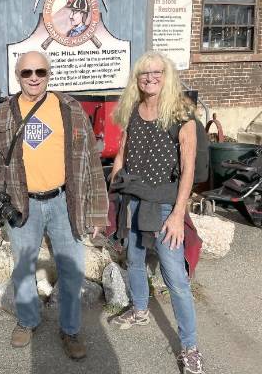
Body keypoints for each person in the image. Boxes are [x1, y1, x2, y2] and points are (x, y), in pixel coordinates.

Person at [0, 51, 108, 359]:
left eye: (40, 71)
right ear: (18, 76)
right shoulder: (3, 113)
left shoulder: (70, 109)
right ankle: (27, 320)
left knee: (72, 269)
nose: (34, 77)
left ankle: (71, 329)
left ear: (49, 74)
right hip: (22, 204)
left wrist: (97, 212)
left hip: (65, 200)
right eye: (27, 73)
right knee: (23, 267)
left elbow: (90, 162)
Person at [109, 51, 204, 374]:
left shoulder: (181, 114)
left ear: (167, 76)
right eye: (144, 73)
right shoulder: (134, 109)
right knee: (134, 259)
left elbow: (188, 169)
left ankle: (190, 347)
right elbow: (123, 148)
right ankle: (139, 309)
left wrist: (178, 214)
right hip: (134, 198)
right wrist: (116, 181)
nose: (149, 78)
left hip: (165, 204)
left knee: (175, 277)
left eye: (156, 73)